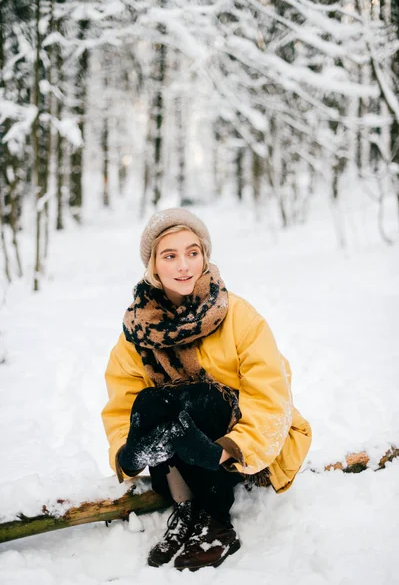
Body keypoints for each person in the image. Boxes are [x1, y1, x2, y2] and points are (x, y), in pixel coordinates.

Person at [101, 207, 312, 571]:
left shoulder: (238, 315)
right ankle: (185, 508)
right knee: (152, 401)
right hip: (181, 445)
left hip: (240, 445)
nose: (184, 266)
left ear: (204, 256)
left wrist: (228, 450)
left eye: (192, 253)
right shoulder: (139, 330)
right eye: (170, 256)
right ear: (153, 265)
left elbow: (271, 399)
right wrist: (126, 452)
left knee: (199, 397)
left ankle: (216, 521)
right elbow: (123, 402)